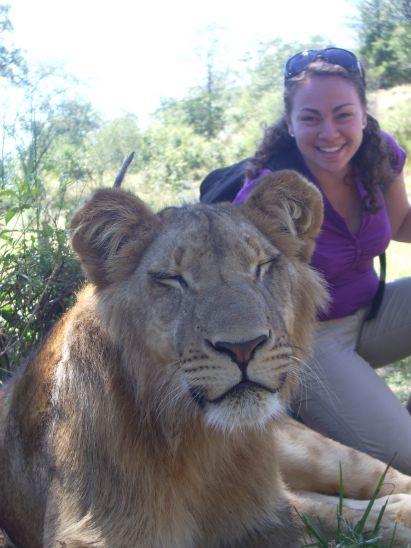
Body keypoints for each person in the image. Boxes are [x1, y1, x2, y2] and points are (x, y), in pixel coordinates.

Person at [232, 47, 411, 474]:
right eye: (311, 118)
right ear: (290, 125)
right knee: (407, 460)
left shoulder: (378, 156)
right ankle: (315, 408)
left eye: (343, 114)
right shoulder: (267, 195)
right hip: (312, 342)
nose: (329, 132)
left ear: (364, 115)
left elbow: (402, 222)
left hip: (374, 315)